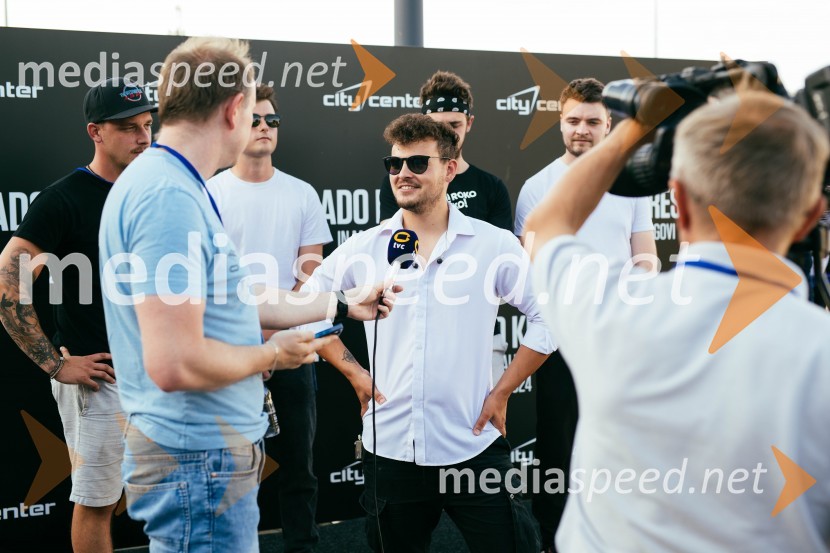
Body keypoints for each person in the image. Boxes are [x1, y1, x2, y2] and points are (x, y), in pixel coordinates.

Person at [98, 37, 397, 552]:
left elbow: (236, 296)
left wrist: (341, 304)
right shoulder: (169, 196)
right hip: (199, 456)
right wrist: (272, 355)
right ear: (235, 108)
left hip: (201, 454)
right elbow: (175, 364)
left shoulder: (174, 183)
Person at [524, 90, 830, 551]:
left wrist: (637, 124)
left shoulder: (607, 310)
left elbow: (546, 225)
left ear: (679, 200)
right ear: (811, 218)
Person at [305, 114, 554, 553]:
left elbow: (548, 318)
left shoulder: (493, 244)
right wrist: (355, 373)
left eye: (418, 163)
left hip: (472, 443)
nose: (403, 173)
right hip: (391, 448)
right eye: (395, 163)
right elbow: (307, 309)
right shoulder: (365, 246)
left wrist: (502, 392)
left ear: (450, 168)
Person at [0, 78, 155, 553]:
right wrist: (55, 365)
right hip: (101, 381)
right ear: (96, 132)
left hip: (161, 374)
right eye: (128, 128)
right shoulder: (64, 198)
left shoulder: (154, 192)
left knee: (167, 495)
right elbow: (8, 282)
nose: (143, 137)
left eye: (148, 125)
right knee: (96, 502)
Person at [513, 77, 656, 552]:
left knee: (622, 444)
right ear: (560, 123)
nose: (582, 129)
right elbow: (530, 273)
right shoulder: (537, 188)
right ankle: (553, 539)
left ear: (608, 124)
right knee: (557, 446)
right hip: (560, 340)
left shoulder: (633, 183)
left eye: (592, 121)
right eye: (573, 120)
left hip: (620, 339)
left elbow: (645, 259)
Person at [206, 84, 333, 552]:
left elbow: (310, 277)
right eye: (255, 119)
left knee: (299, 466)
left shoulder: (301, 194)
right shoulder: (209, 193)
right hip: (228, 354)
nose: (264, 127)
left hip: (293, 351)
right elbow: (210, 280)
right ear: (235, 124)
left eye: (272, 121)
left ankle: (303, 546)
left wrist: (273, 340)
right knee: (232, 470)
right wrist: (254, 344)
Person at [380, 70, 515, 386]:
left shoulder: (491, 186)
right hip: (412, 333)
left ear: (469, 123)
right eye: (437, 126)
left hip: (480, 335)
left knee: (485, 416)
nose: (447, 135)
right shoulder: (399, 182)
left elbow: (504, 266)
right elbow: (393, 251)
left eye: (454, 125)